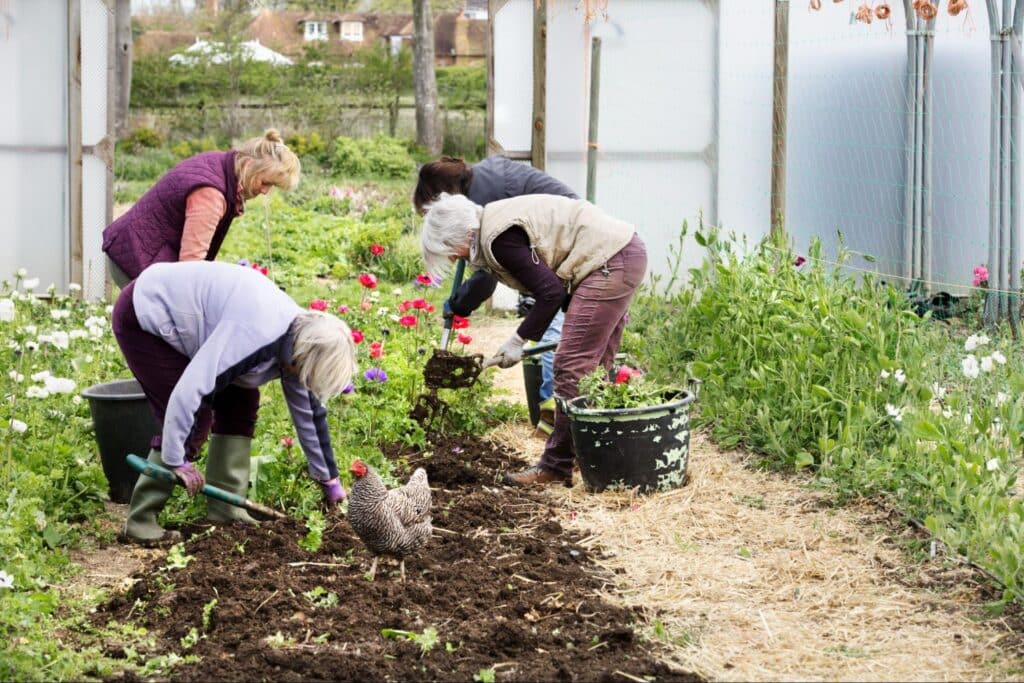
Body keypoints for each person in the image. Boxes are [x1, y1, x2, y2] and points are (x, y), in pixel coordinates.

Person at [112, 260, 355, 545]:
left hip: (201, 324)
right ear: (302, 359)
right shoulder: (257, 335)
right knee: (194, 417)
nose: (304, 381)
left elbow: (309, 416)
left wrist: (330, 481)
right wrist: (176, 461)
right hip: (147, 314)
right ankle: (141, 521)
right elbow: (191, 391)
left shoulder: (300, 342)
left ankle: (226, 509)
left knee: (241, 402)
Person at [420, 193, 647, 487]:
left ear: (459, 236)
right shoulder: (490, 228)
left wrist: (518, 340)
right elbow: (497, 282)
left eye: (450, 251)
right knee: (593, 370)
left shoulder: (498, 238)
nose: (453, 258)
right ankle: (592, 457)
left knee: (570, 366)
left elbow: (550, 292)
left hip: (609, 261)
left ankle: (556, 467)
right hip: (621, 253)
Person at [414, 155, 577, 434]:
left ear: (444, 198)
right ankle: (554, 415)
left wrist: (458, 303)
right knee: (556, 321)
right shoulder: (478, 185)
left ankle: (554, 416)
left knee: (556, 328)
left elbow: (487, 276)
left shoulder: (486, 204)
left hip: (565, 239)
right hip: (558, 235)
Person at [102, 129, 301, 287]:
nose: (266, 191)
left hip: (140, 250)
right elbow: (190, 267)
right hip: (137, 258)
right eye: (265, 182)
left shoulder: (223, 164)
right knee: (165, 334)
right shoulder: (211, 194)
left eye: (272, 187)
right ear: (249, 165)